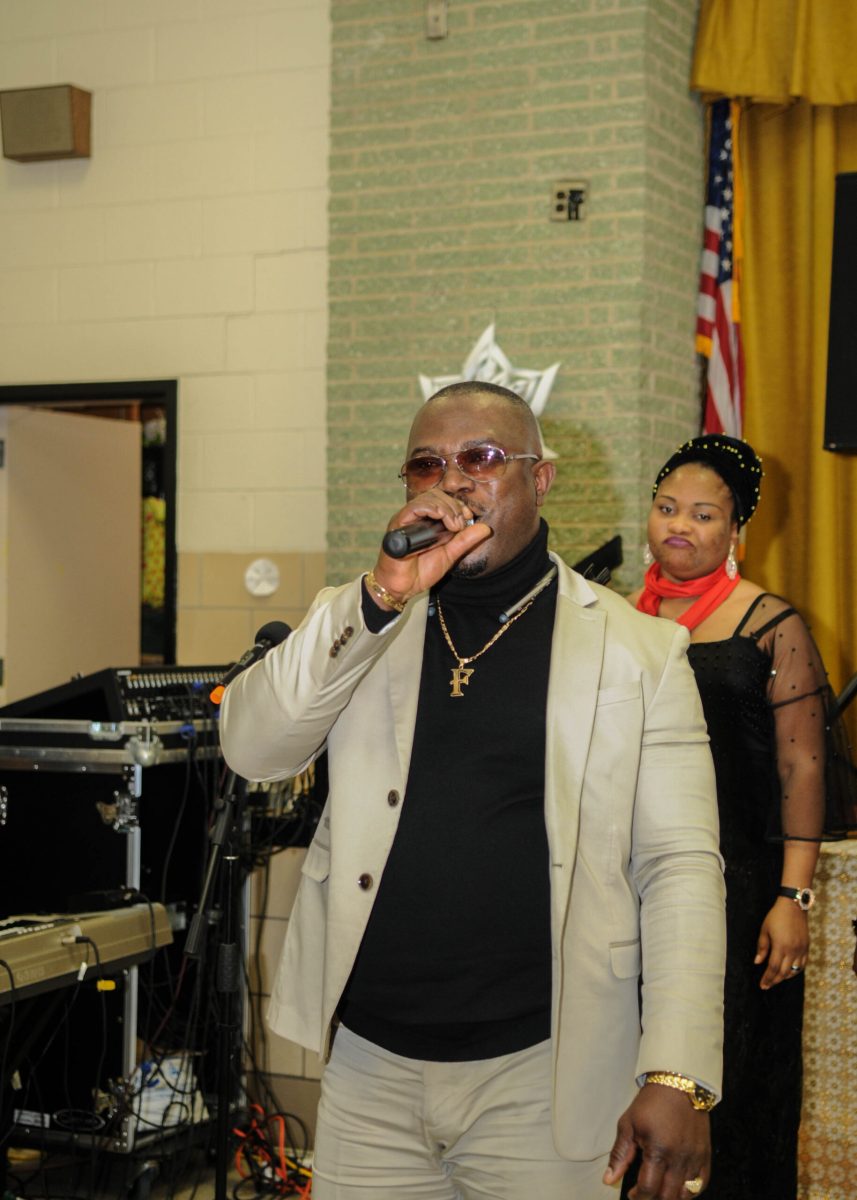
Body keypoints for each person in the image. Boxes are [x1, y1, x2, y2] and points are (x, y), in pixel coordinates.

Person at [220, 382, 726, 1200]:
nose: (451, 480)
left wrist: (677, 1071)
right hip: (370, 1067)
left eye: (481, 458)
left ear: (540, 478)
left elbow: (680, 868)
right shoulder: (361, 618)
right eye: (426, 464)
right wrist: (380, 595)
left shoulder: (640, 652)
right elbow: (252, 749)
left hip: (546, 1066)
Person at [628, 433, 857, 1200]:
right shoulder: (619, 621)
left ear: (735, 531)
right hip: (637, 888)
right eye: (667, 508)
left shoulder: (767, 623)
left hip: (744, 895)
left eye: (702, 514)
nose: (679, 526)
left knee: (736, 1089)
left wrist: (793, 897)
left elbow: (803, 767)